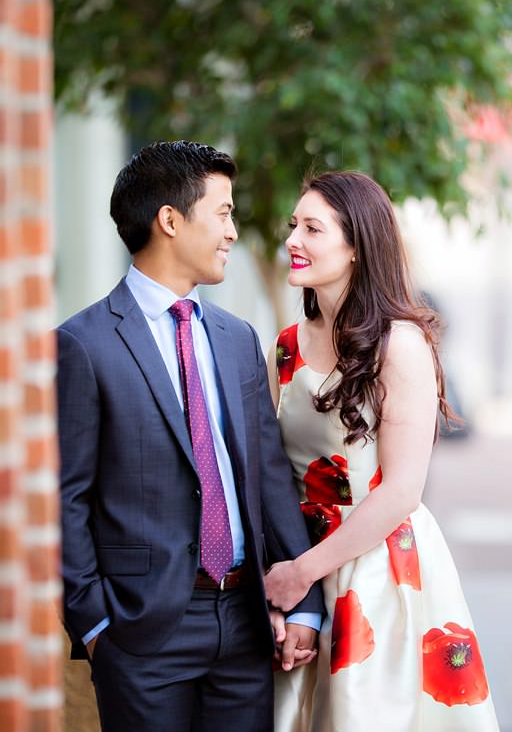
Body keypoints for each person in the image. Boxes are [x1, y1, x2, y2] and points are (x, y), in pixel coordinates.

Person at [57, 141, 322, 732]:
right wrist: (95, 625)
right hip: (140, 634)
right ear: (170, 220)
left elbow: (270, 479)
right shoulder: (83, 344)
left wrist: (303, 602)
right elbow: (63, 499)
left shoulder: (236, 338)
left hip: (247, 624)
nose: (232, 230)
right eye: (223, 212)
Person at [266, 171, 499, 731]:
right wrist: (290, 592)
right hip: (302, 562)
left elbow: (400, 491)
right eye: (293, 226)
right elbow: (275, 473)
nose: (293, 240)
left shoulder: (400, 344)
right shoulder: (288, 345)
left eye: (312, 228)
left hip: (376, 569)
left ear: (356, 246)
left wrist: (302, 574)